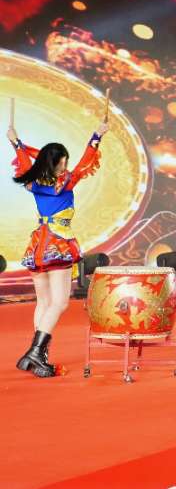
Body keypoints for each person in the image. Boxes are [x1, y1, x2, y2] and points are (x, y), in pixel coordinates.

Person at [8, 122, 109, 377]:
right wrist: (96, 136)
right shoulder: (65, 182)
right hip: (58, 243)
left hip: (38, 244)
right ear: (54, 163)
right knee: (60, 302)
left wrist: (16, 143)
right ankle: (35, 353)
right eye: (62, 162)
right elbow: (85, 163)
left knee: (44, 302)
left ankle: (38, 357)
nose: (65, 167)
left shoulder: (32, 181)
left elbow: (26, 162)